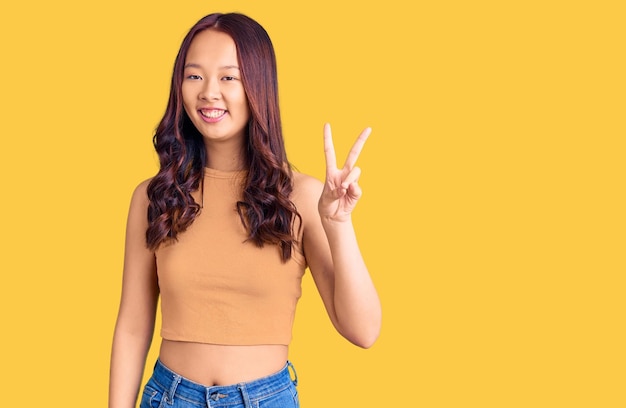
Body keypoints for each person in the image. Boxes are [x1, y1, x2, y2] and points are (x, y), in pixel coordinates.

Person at [109, 12, 381, 408]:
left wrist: (339, 225)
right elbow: (133, 327)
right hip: (169, 398)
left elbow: (363, 330)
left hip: (265, 399)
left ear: (258, 85)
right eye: (194, 75)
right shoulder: (154, 197)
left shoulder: (302, 196)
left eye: (228, 77)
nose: (208, 93)